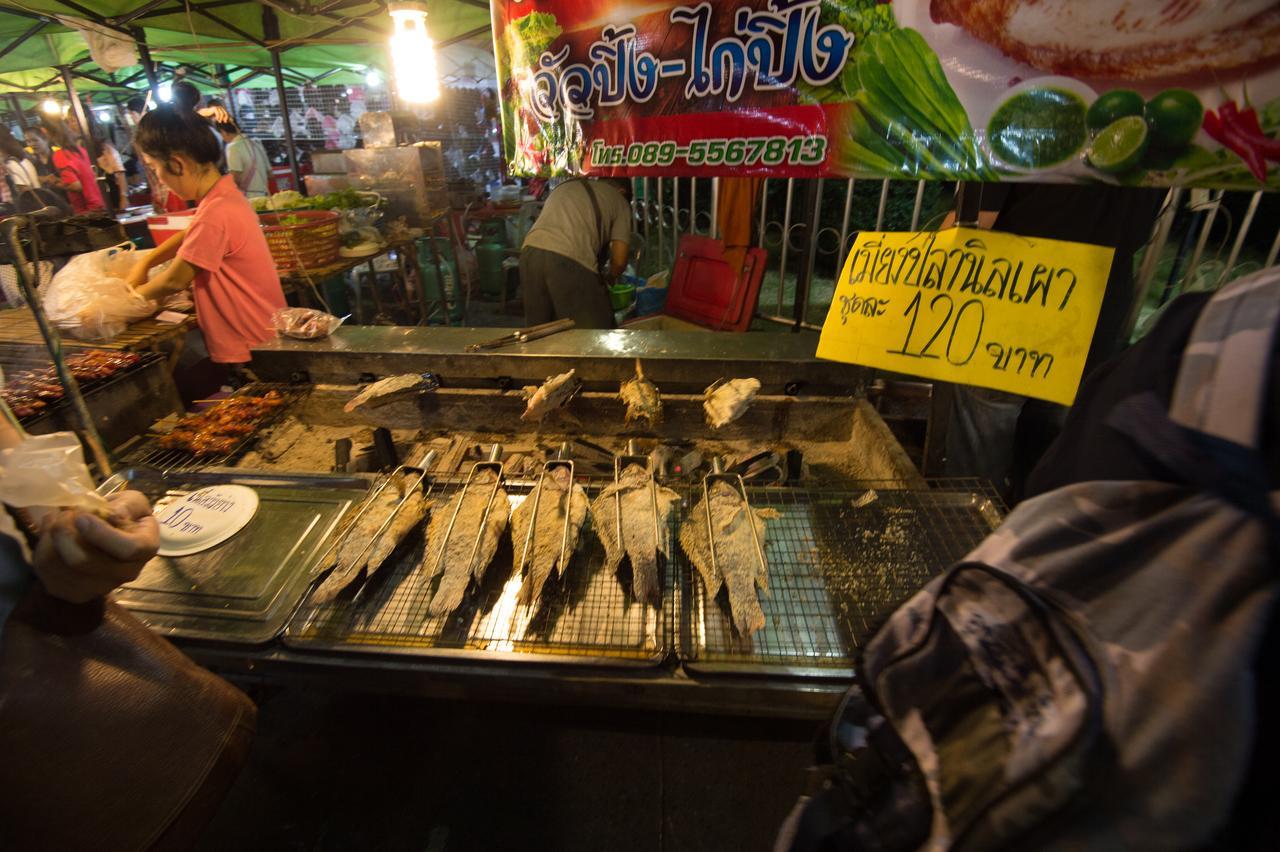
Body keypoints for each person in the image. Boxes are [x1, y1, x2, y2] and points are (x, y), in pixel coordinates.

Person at [941, 182, 1165, 500]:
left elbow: (970, 226)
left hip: (1015, 304)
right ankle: (1025, 534)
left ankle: (966, 534)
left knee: (980, 448)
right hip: (1096, 307)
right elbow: (1140, 229)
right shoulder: (1154, 140)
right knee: (1049, 448)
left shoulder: (1013, 132)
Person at [126, 107, 286, 373]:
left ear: (177, 164)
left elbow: (174, 279)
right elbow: (188, 236)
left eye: (155, 169)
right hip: (262, 334)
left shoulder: (215, 212)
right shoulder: (224, 198)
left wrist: (129, 299)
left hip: (251, 344)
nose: (160, 180)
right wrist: (144, 264)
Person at [520, 177, 632, 329]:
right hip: (569, 260)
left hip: (530, 252)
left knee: (539, 334)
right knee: (593, 334)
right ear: (622, 191)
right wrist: (610, 278)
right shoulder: (620, 200)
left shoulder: (566, 185)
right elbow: (619, 260)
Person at [41, 117, 106, 214]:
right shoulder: (80, 150)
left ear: (45, 131)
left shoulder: (60, 155)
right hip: (100, 203)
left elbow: (76, 186)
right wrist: (58, 180)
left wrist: (54, 183)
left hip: (87, 211)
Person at [217, 119, 270, 198]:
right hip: (265, 196)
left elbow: (235, 178)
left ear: (223, 132)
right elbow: (270, 174)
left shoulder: (233, 147)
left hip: (248, 199)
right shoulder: (256, 144)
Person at [94, 131, 128, 211]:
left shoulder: (107, 149)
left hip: (111, 191)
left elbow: (120, 173)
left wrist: (123, 197)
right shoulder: (79, 148)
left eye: (73, 121)